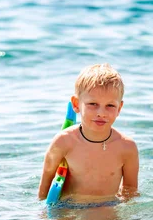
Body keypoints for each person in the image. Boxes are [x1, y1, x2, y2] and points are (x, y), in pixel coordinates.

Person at [38, 64, 139, 203]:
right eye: (93, 104)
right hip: (70, 209)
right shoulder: (63, 142)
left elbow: (130, 191)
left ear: (119, 108)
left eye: (110, 106)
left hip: (107, 207)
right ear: (76, 104)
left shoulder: (127, 147)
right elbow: (45, 184)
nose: (101, 113)